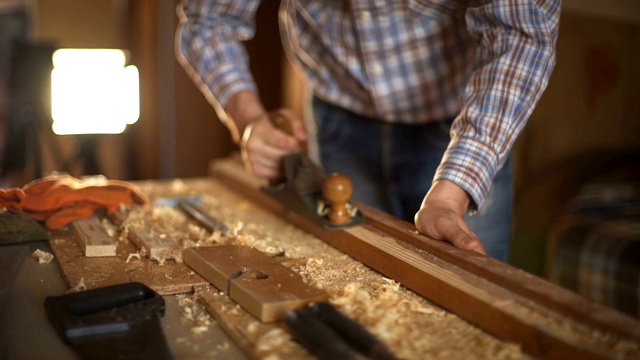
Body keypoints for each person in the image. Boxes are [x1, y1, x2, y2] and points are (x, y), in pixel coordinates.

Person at [176, 0, 561, 262]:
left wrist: (453, 193)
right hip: (337, 113)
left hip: (465, 124)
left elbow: (520, 36)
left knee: (475, 294)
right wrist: (249, 120)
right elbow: (209, 20)